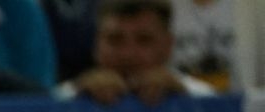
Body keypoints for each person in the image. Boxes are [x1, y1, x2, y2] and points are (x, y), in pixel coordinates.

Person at [58, 0, 213, 102]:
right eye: (114, 39)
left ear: (168, 46)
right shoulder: (65, 100)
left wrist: (183, 102)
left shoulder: (204, 101)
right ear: (96, 43)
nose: (127, 54)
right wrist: (77, 100)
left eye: (144, 40)